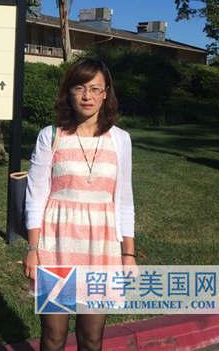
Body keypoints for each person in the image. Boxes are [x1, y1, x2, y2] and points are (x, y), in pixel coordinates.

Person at [23, 57, 137, 351]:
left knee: (92, 338)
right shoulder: (51, 136)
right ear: (69, 92)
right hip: (56, 244)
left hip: (101, 247)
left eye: (95, 89)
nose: (87, 96)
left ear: (105, 93)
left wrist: (128, 254)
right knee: (53, 336)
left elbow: (125, 200)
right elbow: (35, 195)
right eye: (79, 88)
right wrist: (33, 249)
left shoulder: (120, 140)